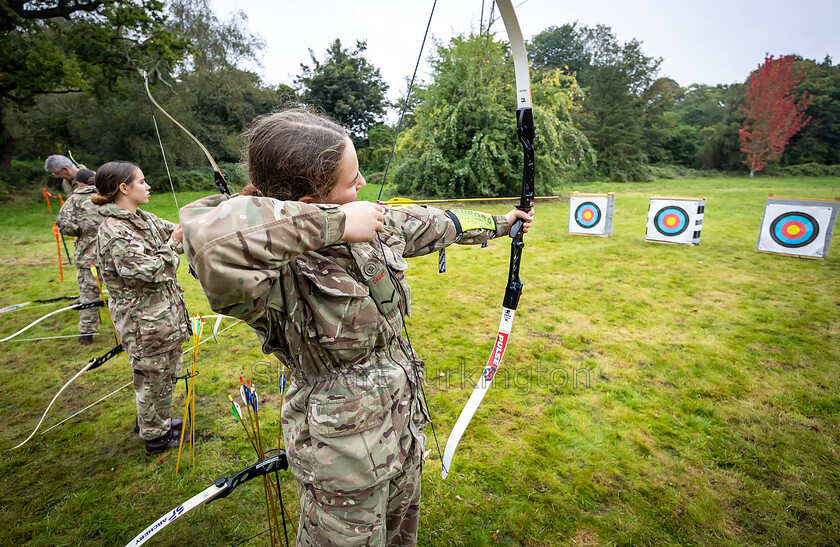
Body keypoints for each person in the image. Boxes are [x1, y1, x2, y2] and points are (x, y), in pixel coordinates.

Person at [179, 108, 534, 545]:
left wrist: (502, 224)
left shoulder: (373, 225)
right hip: (342, 457)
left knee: (402, 535)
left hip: (401, 423)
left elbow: (434, 223)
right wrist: (339, 223)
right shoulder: (277, 277)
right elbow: (212, 243)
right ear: (309, 205)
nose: (362, 186)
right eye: (351, 182)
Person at [92, 161, 188, 455]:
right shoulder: (114, 230)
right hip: (142, 321)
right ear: (123, 188)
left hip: (161, 317)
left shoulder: (140, 218)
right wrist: (172, 245)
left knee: (166, 372)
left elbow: (176, 231)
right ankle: (155, 437)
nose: (147, 187)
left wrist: (215, 215)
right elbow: (147, 271)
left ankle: (153, 420)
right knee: (152, 374)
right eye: (142, 182)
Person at [55, 168, 105, 344]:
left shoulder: (74, 200)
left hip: (88, 256)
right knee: (119, 293)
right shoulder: (109, 195)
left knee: (88, 294)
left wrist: (80, 232)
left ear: (79, 183)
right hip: (112, 253)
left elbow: (64, 225)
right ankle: (125, 329)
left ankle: (87, 333)